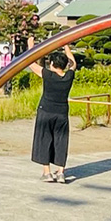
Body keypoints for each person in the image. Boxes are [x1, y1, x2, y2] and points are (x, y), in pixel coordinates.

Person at [27, 37, 76, 183]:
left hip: (46, 111)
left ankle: (47, 172)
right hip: (62, 113)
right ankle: (61, 172)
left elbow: (30, 63)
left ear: (53, 64)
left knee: (44, 139)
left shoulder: (48, 75)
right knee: (61, 140)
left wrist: (31, 46)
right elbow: (73, 63)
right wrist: (66, 46)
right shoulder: (68, 76)